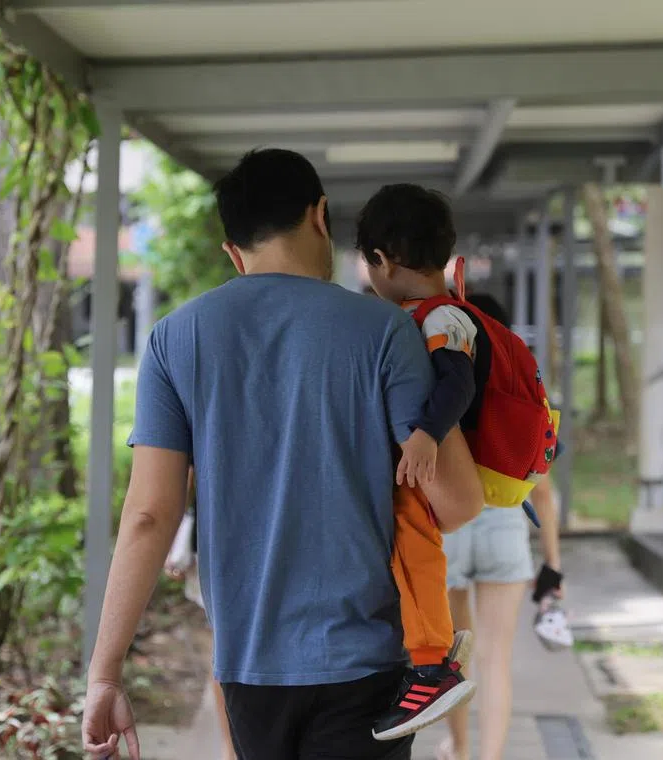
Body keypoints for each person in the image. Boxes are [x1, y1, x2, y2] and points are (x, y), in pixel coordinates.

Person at [81, 148, 485, 760]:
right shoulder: (383, 331)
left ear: (232, 252)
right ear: (320, 215)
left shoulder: (173, 340)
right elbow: (454, 504)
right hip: (365, 663)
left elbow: (148, 516)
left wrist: (105, 675)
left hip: (248, 664)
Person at [355, 185, 481, 741]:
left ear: (381, 260)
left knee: (412, 542)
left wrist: (428, 434)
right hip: (417, 461)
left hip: (425, 465)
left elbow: (458, 381)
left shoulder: (438, 317)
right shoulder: (422, 313)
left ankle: (433, 666)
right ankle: (433, 646)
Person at [435, 292, 565, 760]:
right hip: (505, 527)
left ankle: (460, 749)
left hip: (450, 526)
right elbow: (543, 489)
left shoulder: (439, 378)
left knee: (456, 659)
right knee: (496, 662)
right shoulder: (519, 385)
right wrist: (553, 565)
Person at [163, 469, 237, 760]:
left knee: (223, 641)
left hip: (216, 530)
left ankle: (230, 747)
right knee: (223, 643)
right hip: (222, 531)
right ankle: (230, 746)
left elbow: (184, 472)